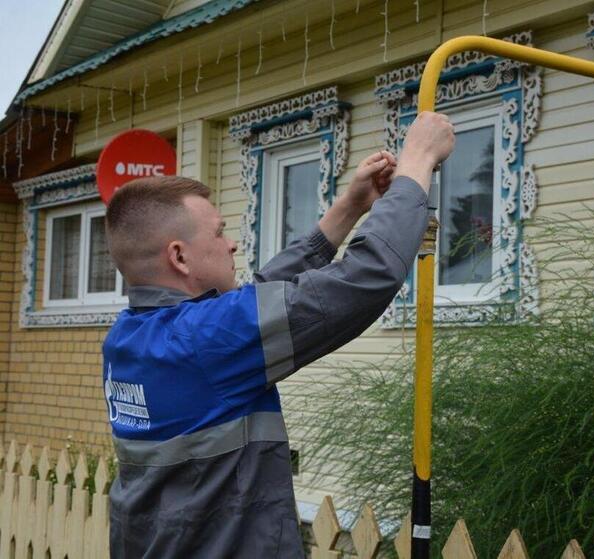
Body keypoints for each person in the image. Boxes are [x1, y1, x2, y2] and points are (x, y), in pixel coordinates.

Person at [102, 111, 455, 558]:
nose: (231, 243)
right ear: (180, 257)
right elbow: (364, 277)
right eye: (219, 232)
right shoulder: (203, 339)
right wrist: (417, 161)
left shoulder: (128, 339)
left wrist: (349, 207)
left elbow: (256, 302)